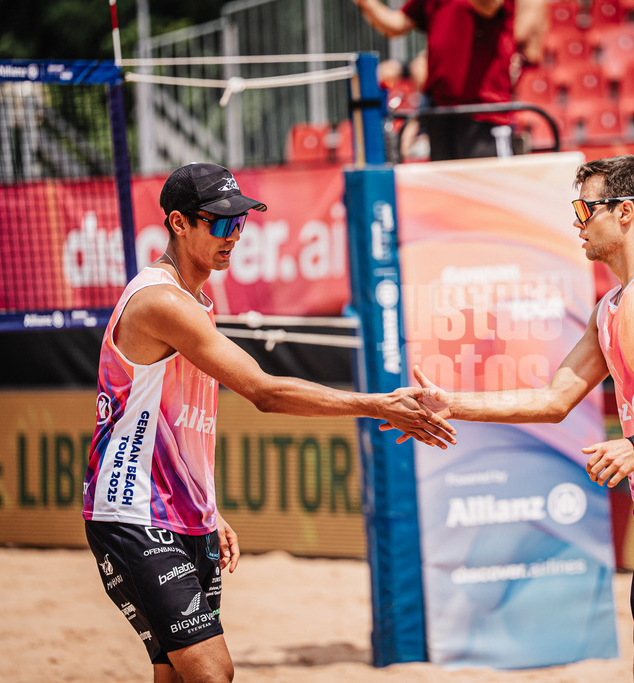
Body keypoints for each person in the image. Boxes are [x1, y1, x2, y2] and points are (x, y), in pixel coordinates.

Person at [81, 162, 455, 683]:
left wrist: (204, 504)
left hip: (178, 511)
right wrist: (378, 405)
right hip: (130, 513)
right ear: (177, 222)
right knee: (214, 672)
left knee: (174, 675)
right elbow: (265, 392)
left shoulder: (196, 301)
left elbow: (173, 427)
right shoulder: (162, 302)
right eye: (219, 224)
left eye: (239, 223)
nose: (232, 236)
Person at [390, 155, 634, 682]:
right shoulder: (610, 306)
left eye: (586, 208)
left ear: (625, 212)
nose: (577, 222)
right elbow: (556, 398)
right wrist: (453, 403)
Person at [351, 0, 548, 161]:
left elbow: (490, 6)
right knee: (451, 201)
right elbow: (396, 25)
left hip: (483, 114)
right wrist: (367, 4)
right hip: (440, 113)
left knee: (488, 200)